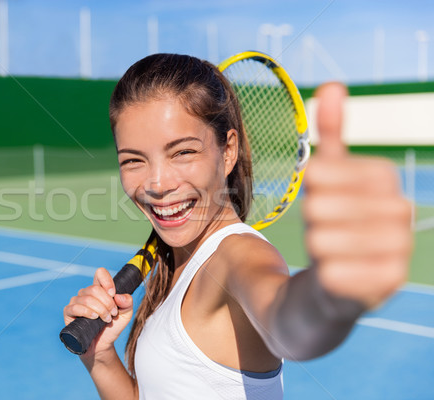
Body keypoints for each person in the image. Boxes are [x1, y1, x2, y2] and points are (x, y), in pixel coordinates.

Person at [63, 54, 412, 399]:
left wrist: (329, 296)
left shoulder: (237, 255)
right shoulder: (177, 263)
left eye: (182, 152)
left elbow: (289, 325)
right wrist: (102, 357)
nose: (156, 183)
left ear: (228, 151)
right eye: (133, 160)